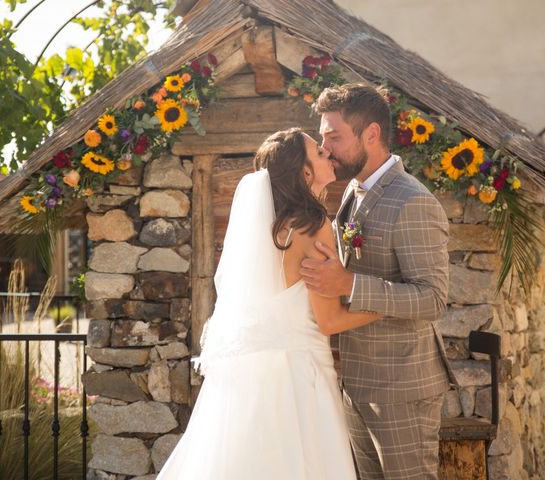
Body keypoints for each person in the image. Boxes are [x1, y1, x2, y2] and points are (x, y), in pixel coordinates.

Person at [156, 128, 379, 480]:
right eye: (318, 154)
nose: (326, 152)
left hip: (256, 374)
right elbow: (330, 321)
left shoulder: (271, 230)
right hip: (300, 377)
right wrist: (386, 304)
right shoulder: (314, 226)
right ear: (305, 173)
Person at [300, 83, 457, 480]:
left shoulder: (413, 201)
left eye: (334, 137)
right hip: (357, 383)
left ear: (371, 134)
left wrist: (348, 284)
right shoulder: (353, 190)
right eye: (322, 137)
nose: (325, 147)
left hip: (401, 389)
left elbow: (432, 299)